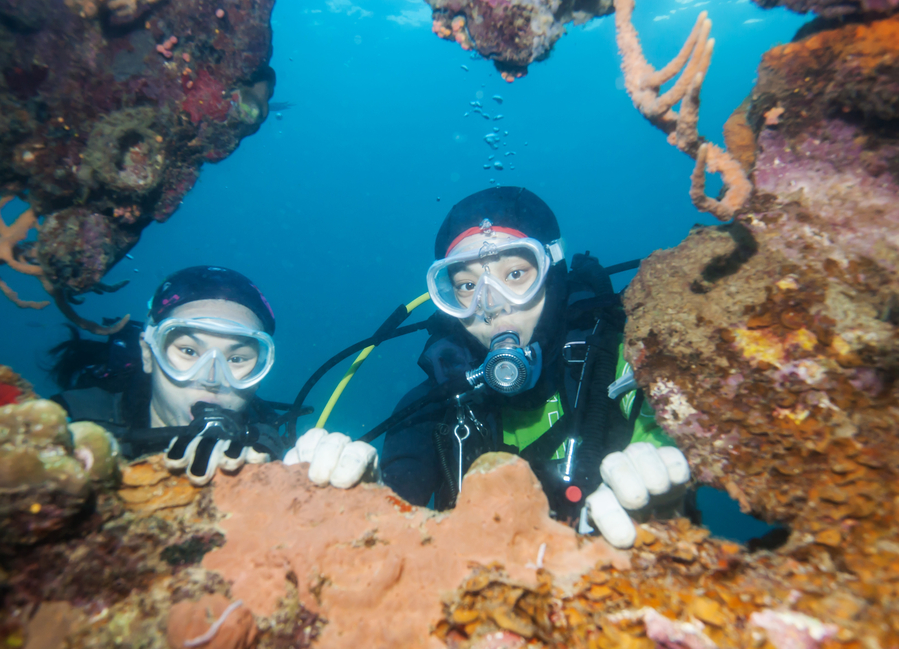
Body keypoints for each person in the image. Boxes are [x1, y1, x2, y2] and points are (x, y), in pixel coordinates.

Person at [379, 187, 693, 548]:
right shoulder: (432, 405)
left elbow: (665, 445)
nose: (492, 305)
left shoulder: (624, 364)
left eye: (515, 274)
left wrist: (663, 502)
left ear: (552, 274)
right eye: (467, 285)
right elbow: (391, 515)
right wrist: (365, 504)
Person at [50, 265, 374, 487]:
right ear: (149, 353)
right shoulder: (69, 423)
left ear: (259, 373)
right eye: (189, 352)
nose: (211, 378)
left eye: (236, 359)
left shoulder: (278, 459)